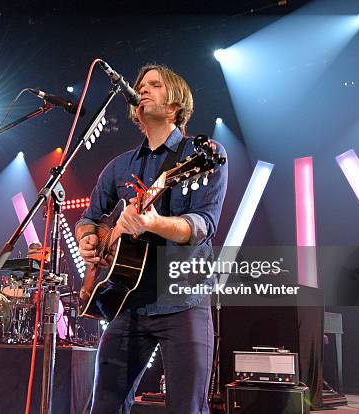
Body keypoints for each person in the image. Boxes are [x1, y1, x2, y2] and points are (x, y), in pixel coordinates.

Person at [76, 64, 228, 413]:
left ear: (175, 105)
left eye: (155, 85)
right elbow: (89, 217)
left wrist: (154, 222)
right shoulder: (120, 166)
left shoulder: (200, 156)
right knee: (105, 406)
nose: (143, 89)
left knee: (186, 408)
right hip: (124, 302)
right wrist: (89, 238)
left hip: (182, 302)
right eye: (141, 85)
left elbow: (204, 225)